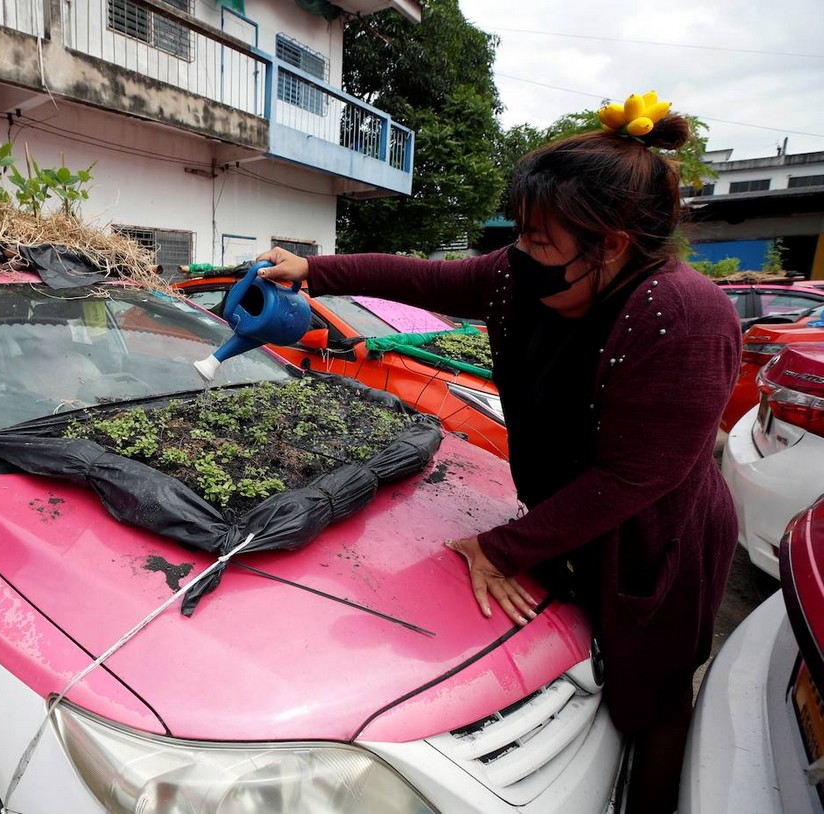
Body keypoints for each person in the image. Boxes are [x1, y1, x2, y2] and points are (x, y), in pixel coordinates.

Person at [257, 99, 740, 814]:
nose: (520, 251)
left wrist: (501, 548)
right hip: (569, 521)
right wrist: (313, 270)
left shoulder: (685, 316)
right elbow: (425, 279)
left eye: (540, 238)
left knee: (654, 700)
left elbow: (637, 477)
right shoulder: (521, 277)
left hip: (656, 542)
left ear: (608, 245)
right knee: (581, 675)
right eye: (519, 232)